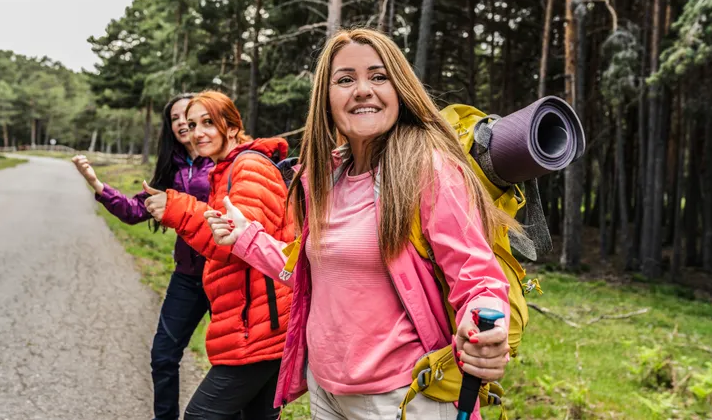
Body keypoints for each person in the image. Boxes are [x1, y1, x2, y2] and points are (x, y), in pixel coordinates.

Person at [203, 28, 515, 420]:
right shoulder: (324, 177)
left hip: (401, 397)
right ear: (327, 99)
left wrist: (484, 327)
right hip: (327, 392)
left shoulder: (427, 169)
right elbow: (311, 271)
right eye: (345, 79)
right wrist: (244, 237)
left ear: (399, 90)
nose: (363, 89)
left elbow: (477, 276)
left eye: (378, 76)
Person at [143, 90, 293, 420]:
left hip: (259, 330)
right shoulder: (225, 170)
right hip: (256, 325)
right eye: (192, 124)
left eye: (209, 122)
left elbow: (239, 243)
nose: (197, 132)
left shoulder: (248, 166)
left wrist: (178, 208)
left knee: (201, 415)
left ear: (232, 126)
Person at [71, 93, 213, 420]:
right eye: (175, 118)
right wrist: (95, 182)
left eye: (188, 116)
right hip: (188, 277)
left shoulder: (225, 160)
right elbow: (137, 209)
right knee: (163, 356)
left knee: (229, 361)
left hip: (227, 278)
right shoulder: (173, 168)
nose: (181, 123)